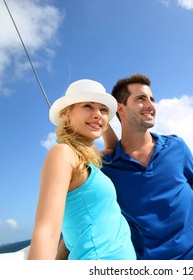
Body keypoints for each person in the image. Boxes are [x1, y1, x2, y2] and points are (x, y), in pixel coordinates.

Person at [57, 74, 193, 260]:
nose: (150, 106)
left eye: (152, 99)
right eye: (141, 99)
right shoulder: (106, 167)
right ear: (120, 110)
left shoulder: (176, 146)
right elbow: (83, 216)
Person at [28, 79, 136, 260]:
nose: (97, 114)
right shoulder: (63, 154)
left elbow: (113, 149)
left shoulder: (86, 159)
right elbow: (46, 232)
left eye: (103, 109)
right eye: (87, 106)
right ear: (66, 114)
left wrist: (99, 120)